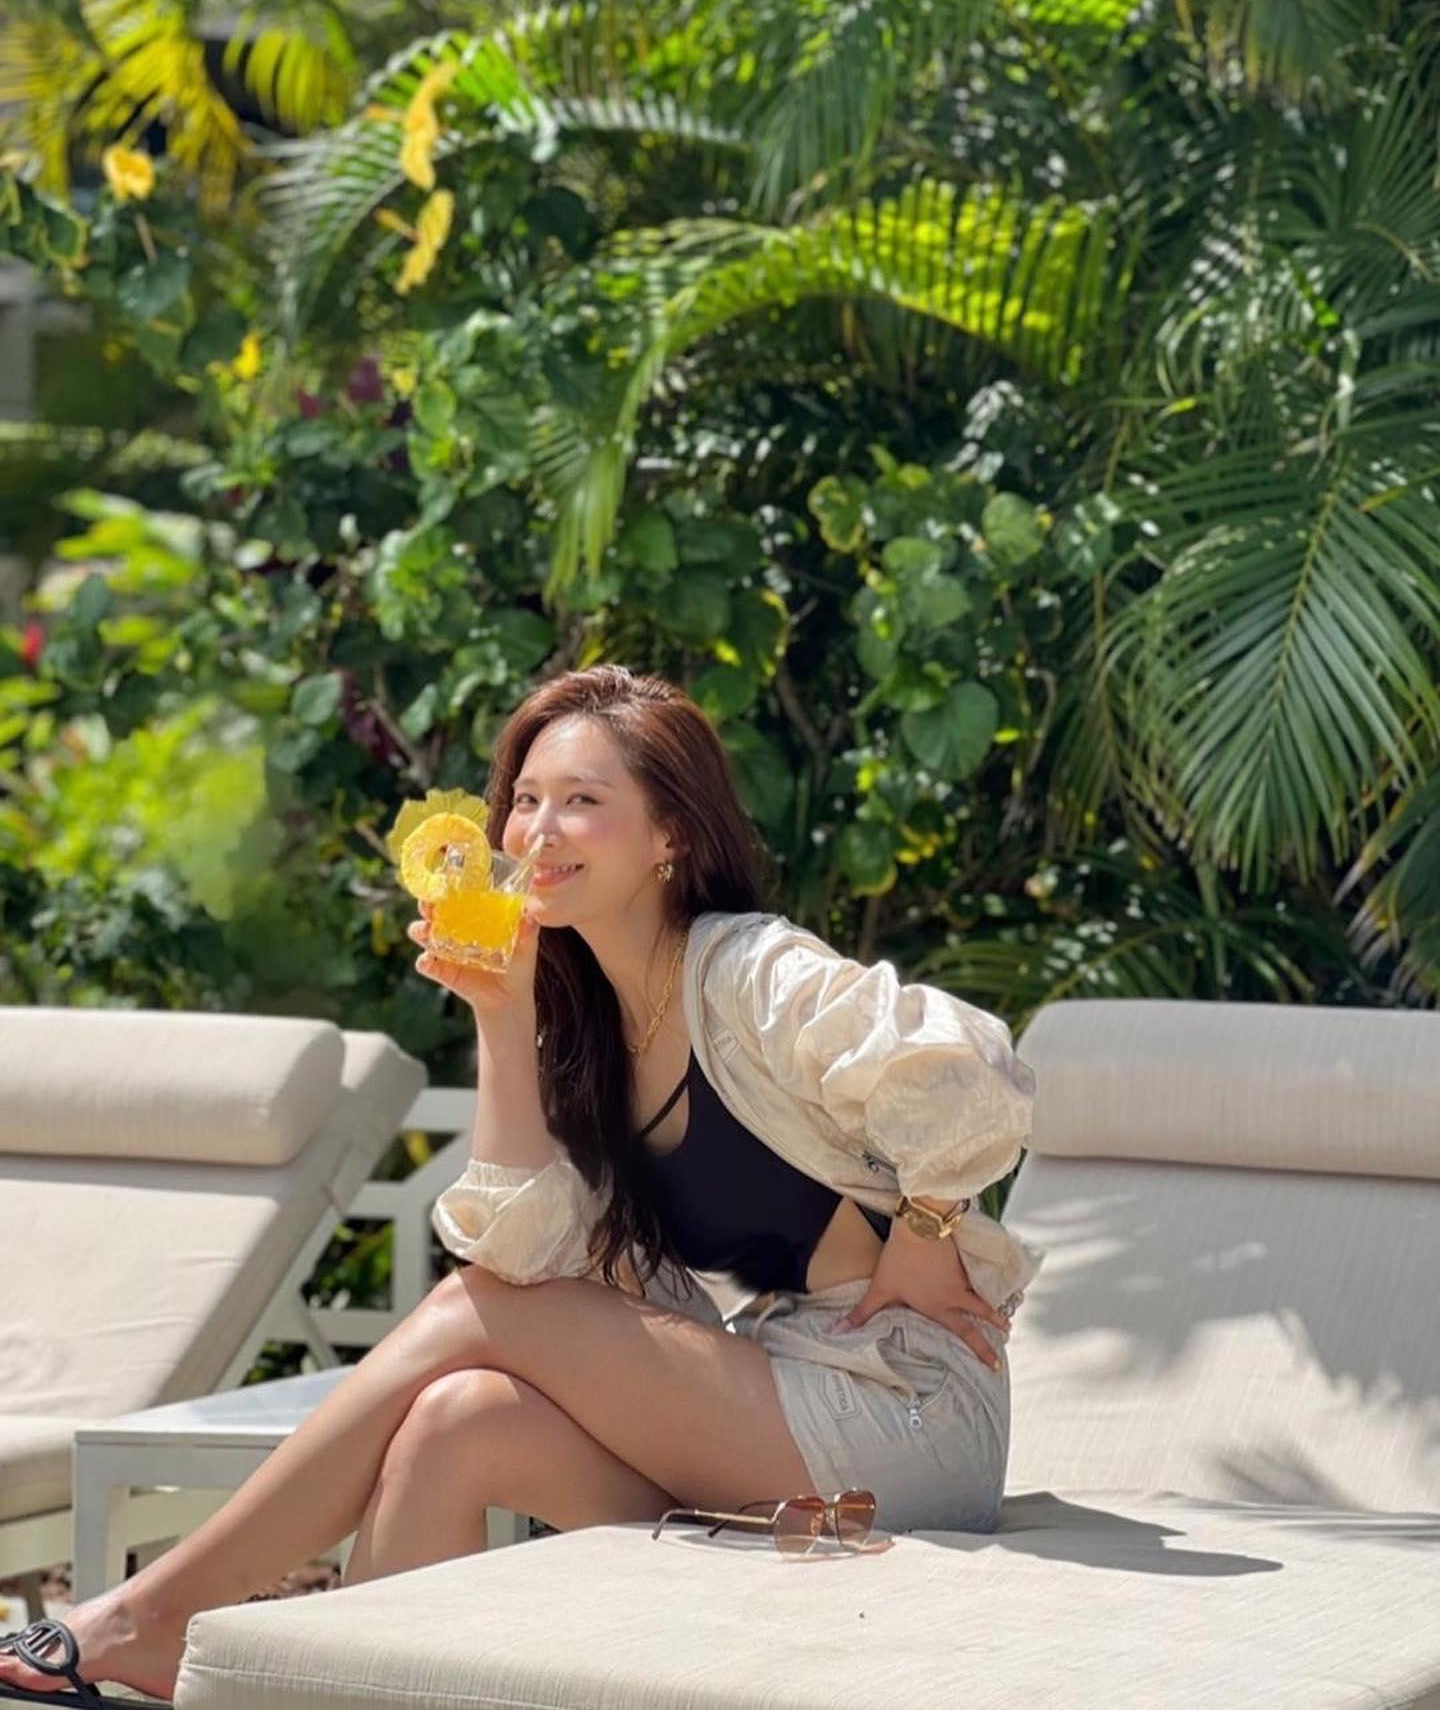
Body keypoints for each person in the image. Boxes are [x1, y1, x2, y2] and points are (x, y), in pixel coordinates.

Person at [0, 664, 1041, 1704]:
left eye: (583, 801)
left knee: (476, 1316)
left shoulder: (745, 970)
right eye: (527, 799)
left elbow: (974, 1067)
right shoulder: (584, 1025)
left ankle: (148, 1617)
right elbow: (519, 1255)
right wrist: (503, 1016)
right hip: (771, 1405)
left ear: (670, 836)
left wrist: (927, 1222)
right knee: (457, 1425)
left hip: (899, 1412)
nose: (539, 830)